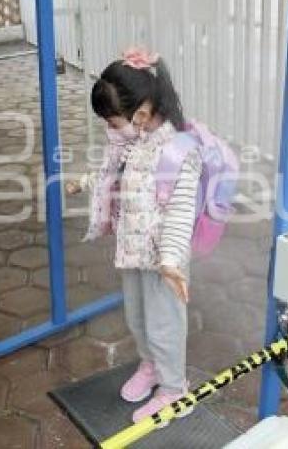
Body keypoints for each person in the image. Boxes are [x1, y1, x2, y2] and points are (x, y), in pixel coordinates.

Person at [66, 48, 199, 424]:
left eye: (113, 120)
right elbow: (118, 177)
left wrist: (170, 261)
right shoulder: (131, 140)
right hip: (133, 250)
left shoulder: (178, 152)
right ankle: (151, 365)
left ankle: (175, 389)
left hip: (163, 259)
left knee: (165, 323)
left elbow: (180, 213)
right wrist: (86, 181)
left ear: (142, 110)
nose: (110, 128)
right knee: (138, 317)